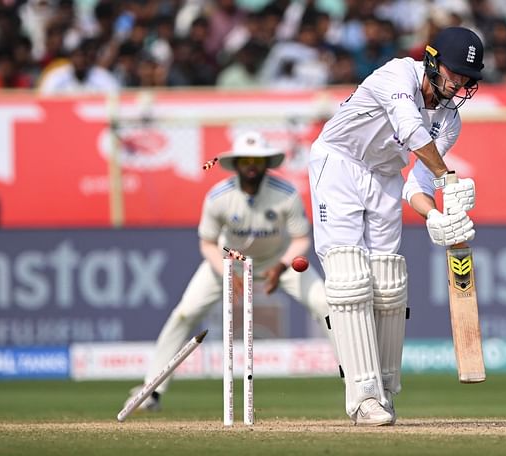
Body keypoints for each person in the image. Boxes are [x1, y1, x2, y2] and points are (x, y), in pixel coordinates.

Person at [307, 26, 482, 426]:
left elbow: (416, 184)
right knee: (350, 277)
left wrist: (435, 216)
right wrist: (449, 179)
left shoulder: (450, 121)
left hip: (385, 177)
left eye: (467, 79)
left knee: (388, 281)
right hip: (339, 164)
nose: (460, 85)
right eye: (455, 74)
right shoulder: (396, 75)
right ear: (433, 62)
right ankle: (363, 397)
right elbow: (409, 129)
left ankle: (384, 391)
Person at [124, 130, 330, 411]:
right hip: (228, 261)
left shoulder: (286, 194)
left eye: (258, 160)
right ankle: (152, 390)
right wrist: (227, 273)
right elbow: (208, 243)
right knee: (185, 313)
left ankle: (355, 385)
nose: (252, 166)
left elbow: (301, 239)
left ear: (267, 162)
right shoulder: (218, 197)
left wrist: (282, 265)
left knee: (325, 304)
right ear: (235, 164)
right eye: (245, 160)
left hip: (277, 260)